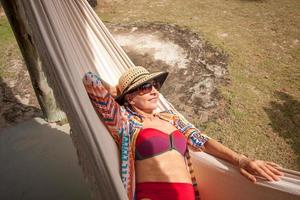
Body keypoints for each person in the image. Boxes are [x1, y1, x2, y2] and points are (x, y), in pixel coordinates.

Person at [83, 66, 284, 200]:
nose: (154, 91)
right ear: (129, 97)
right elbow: (90, 81)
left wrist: (242, 160)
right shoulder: (125, 122)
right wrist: (117, 91)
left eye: (155, 85)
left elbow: (203, 141)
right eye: (145, 87)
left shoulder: (171, 118)